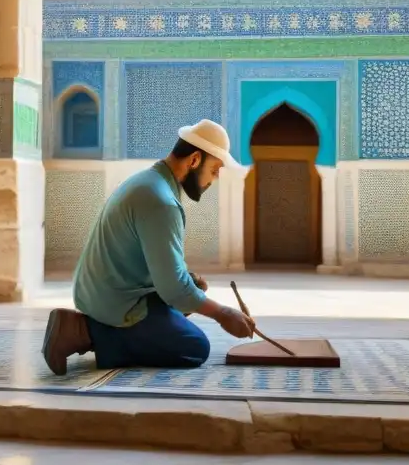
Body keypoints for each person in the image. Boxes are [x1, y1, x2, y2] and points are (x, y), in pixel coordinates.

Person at [41, 119, 255, 376]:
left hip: (102, 292)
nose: (214, 179)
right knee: (194, 347)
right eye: (215, 170)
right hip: (114, 301)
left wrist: (189, 286)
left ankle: (98, 329)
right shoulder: (160, 201)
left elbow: (168, 276)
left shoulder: (150, 182)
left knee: (194, 290)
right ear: (195, 160)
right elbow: (174, 289)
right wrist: (223, 313)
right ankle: (83, 331)